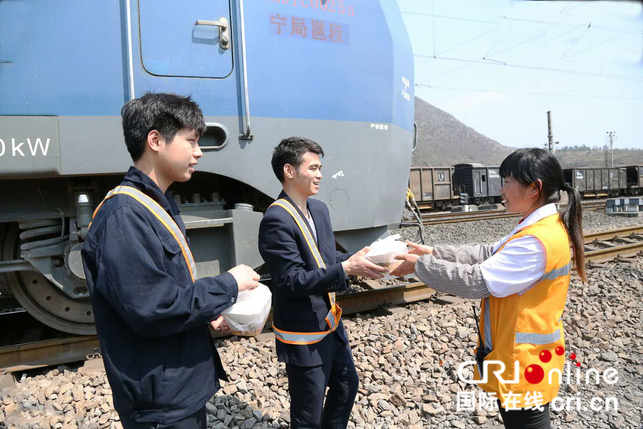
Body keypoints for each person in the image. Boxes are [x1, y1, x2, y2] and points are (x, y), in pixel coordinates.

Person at [81, 93, 260, 429]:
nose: (199, 151)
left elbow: (170, 289)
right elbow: (154, 308)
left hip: (174, 384)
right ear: (155, 141)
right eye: (191, 140)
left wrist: (210, 311)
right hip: (158, 402)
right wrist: (229, 284)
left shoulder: (155, 203)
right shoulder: (124, 216)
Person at [392, 148, 586, 429]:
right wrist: (433, 252)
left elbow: (476, 282)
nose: (501, 189)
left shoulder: (536, 241)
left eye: (507, 181)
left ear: (534, 188)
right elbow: (485, 253)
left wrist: (420, 266)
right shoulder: (536, 227)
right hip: (521, 357)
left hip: (525, 363)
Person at [258, 137, 389, 429]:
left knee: (346, 386)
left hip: (330, 323)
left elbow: (328, 258)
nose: (320, 174)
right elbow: (291, 280)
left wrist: (365, 259)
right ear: (289, 171)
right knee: (308, 413)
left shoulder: (318, 210)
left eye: (320, 168)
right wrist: (345, 268)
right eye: (313, 168)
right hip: (302, 332)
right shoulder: (276, 219)